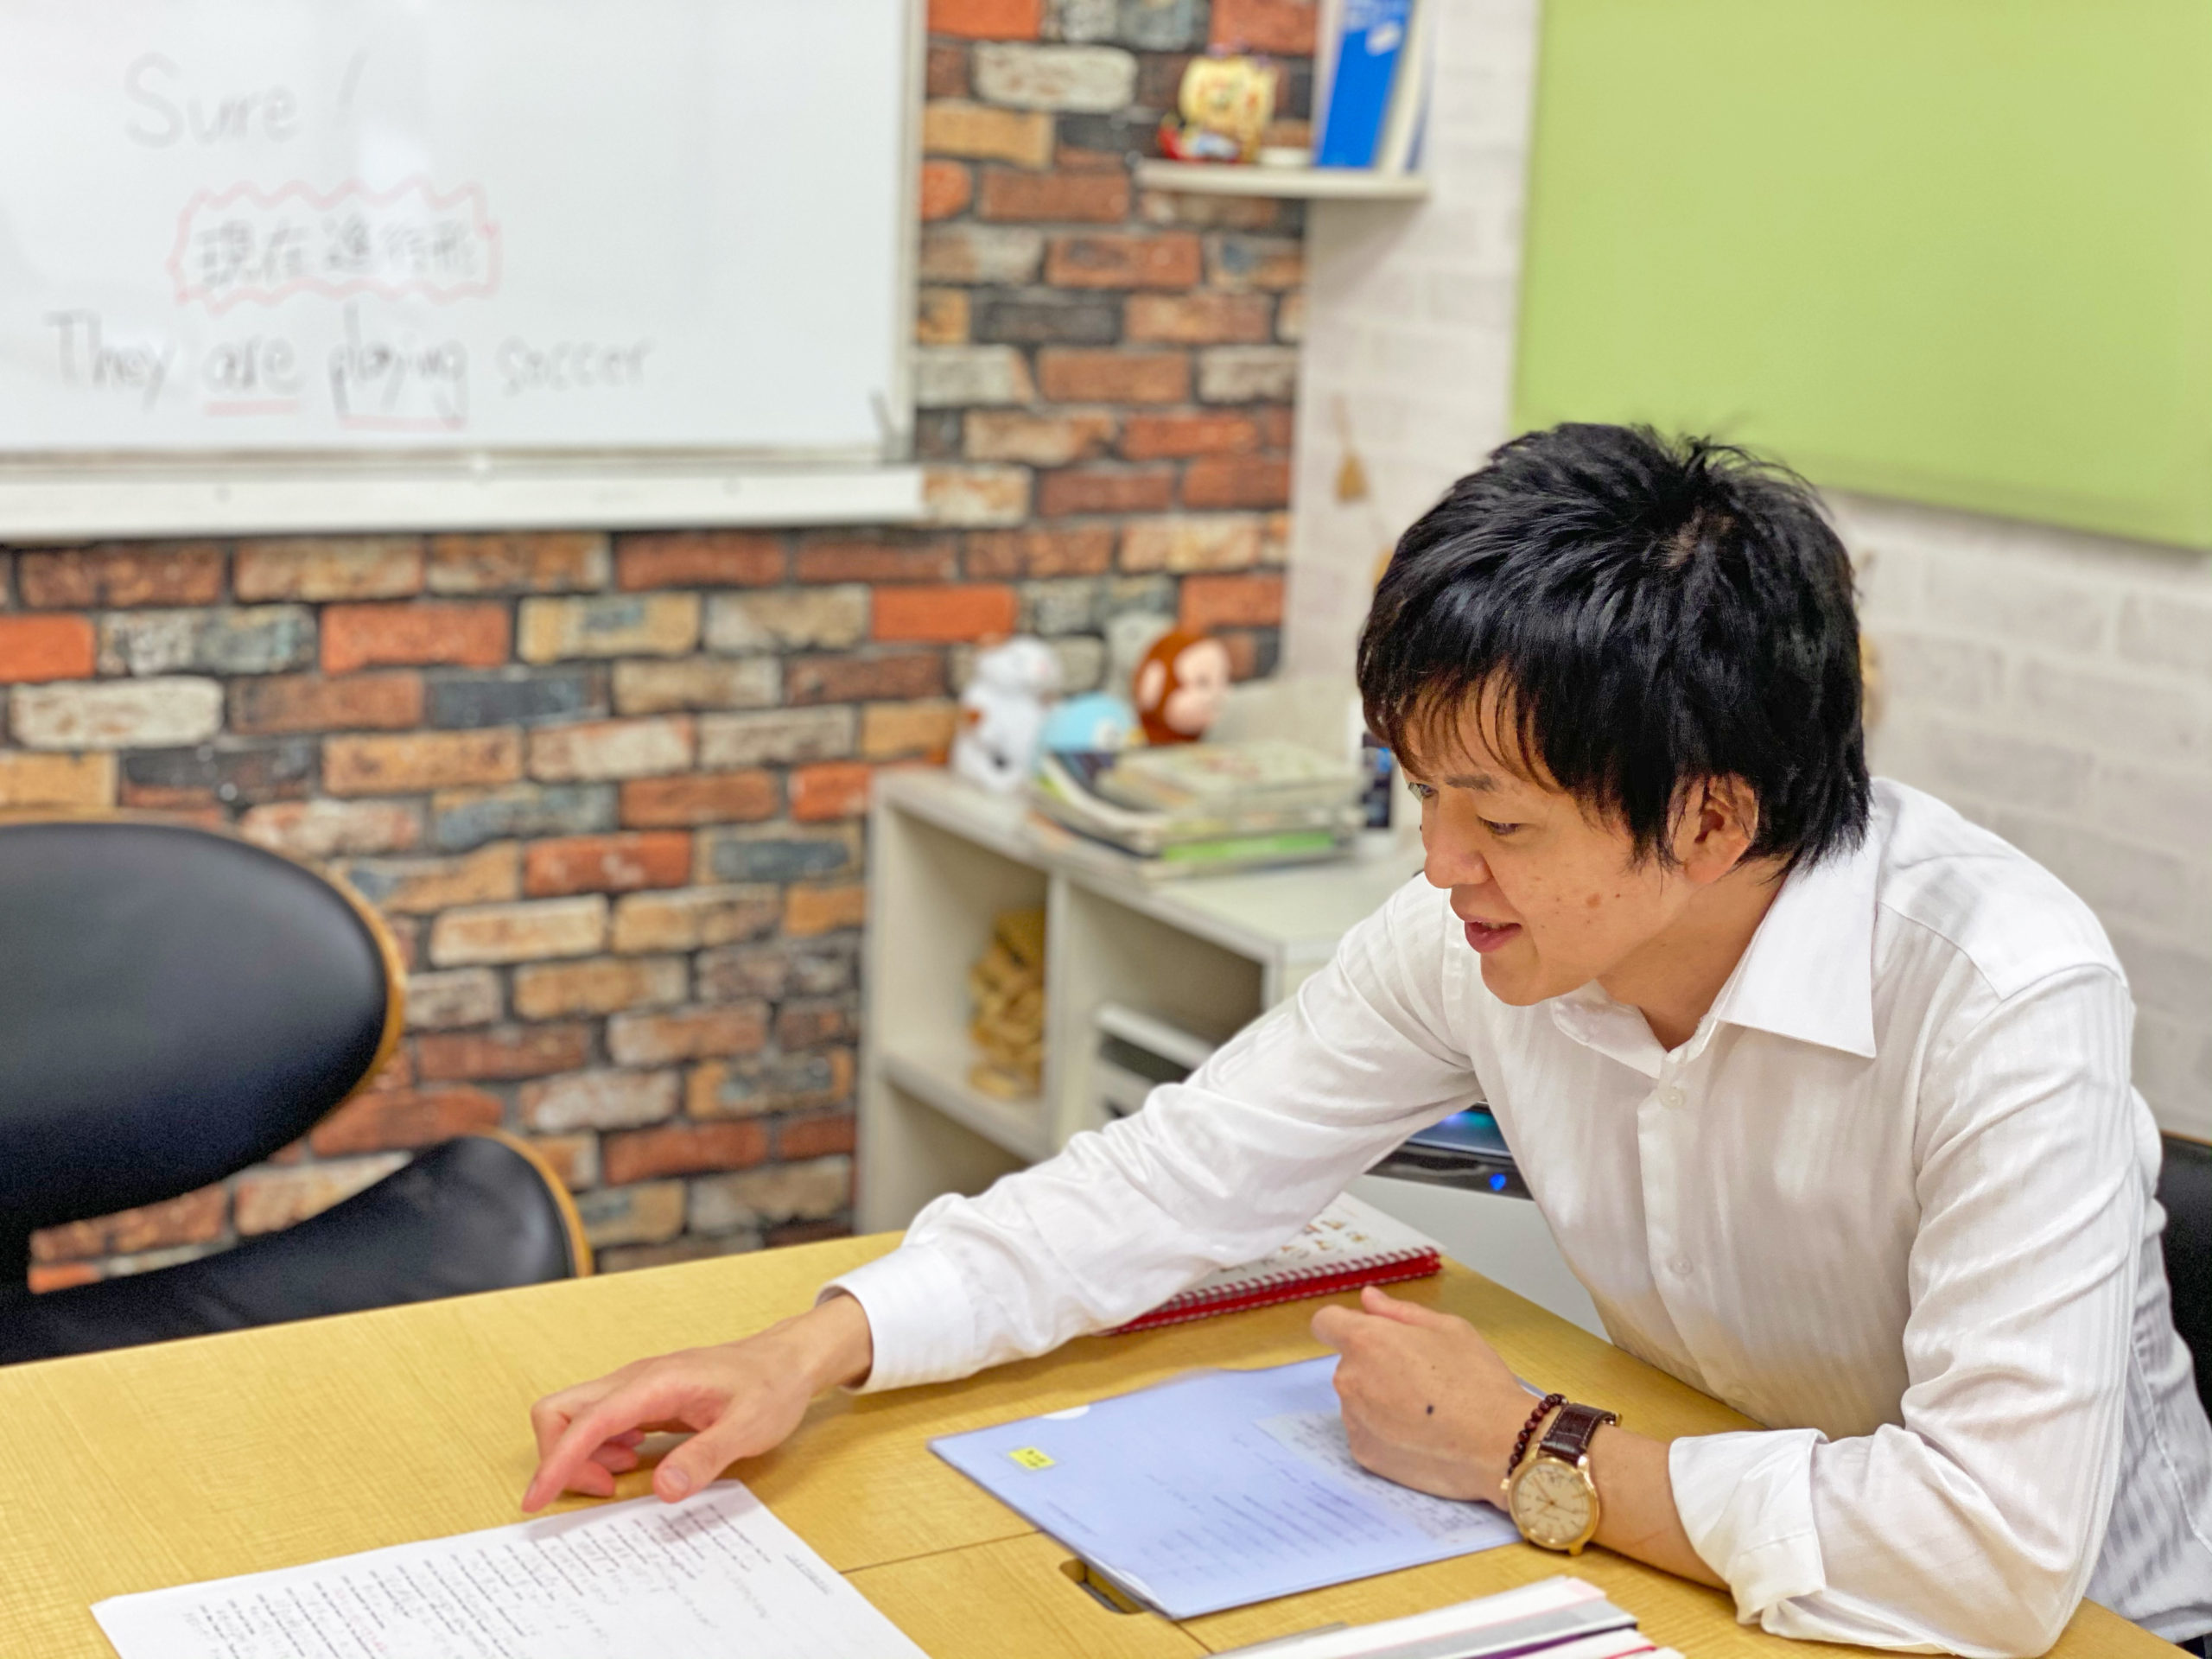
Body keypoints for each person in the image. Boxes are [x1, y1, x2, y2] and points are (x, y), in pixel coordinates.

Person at [522, 425, 2212, 1656]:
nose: (1438, 863)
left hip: (2088, 1631)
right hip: (1705, 1563)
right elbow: (1172, 1178)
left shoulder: (2001, 995)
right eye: (1420, 795)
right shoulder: (1475, 933)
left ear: (1708, 819)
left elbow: (1992, 1554)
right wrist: (810, 1350)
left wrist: (1524, 1449)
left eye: (1499, 820)